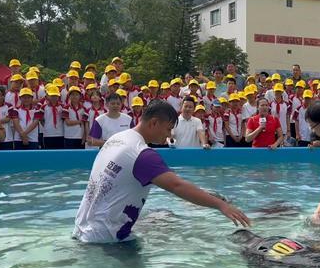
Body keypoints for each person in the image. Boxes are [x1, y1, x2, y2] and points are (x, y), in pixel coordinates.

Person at [72, 100, 250, 243]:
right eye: (168, 129)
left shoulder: (116, 139)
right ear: (154, 122)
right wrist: (221, 205)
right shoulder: (141, 153)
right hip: (106, 241)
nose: (168, 135)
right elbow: (177, 185)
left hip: (83, 231)